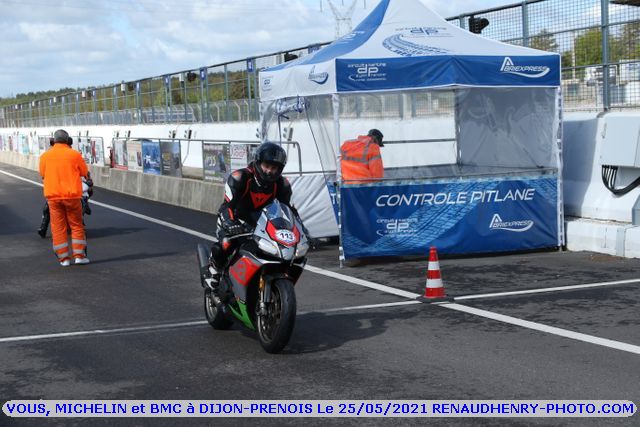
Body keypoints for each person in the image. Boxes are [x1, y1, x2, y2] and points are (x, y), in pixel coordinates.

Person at [206, 142, 293, 288]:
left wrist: (301, 230)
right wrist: (230, 223)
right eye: (266, 166)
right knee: (226, 243)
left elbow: (288, 210)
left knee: (277, 250)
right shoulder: (240, 177)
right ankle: (213, 270)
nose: (269, 171)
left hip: (261, 223)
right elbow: (227, 205)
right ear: (258, 163)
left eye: (274, 168)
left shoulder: (282, 184)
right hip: (234, 218)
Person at [39, 129, 91, 266]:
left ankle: (64, 259)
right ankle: (79, 256)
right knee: (76, 225)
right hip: (72, 196)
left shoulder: (45, 156)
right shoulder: (74, 154)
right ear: (67, 140)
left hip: (53, 197)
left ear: (53, 140)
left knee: (58, 227)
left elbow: (42, 174)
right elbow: (84, 172)